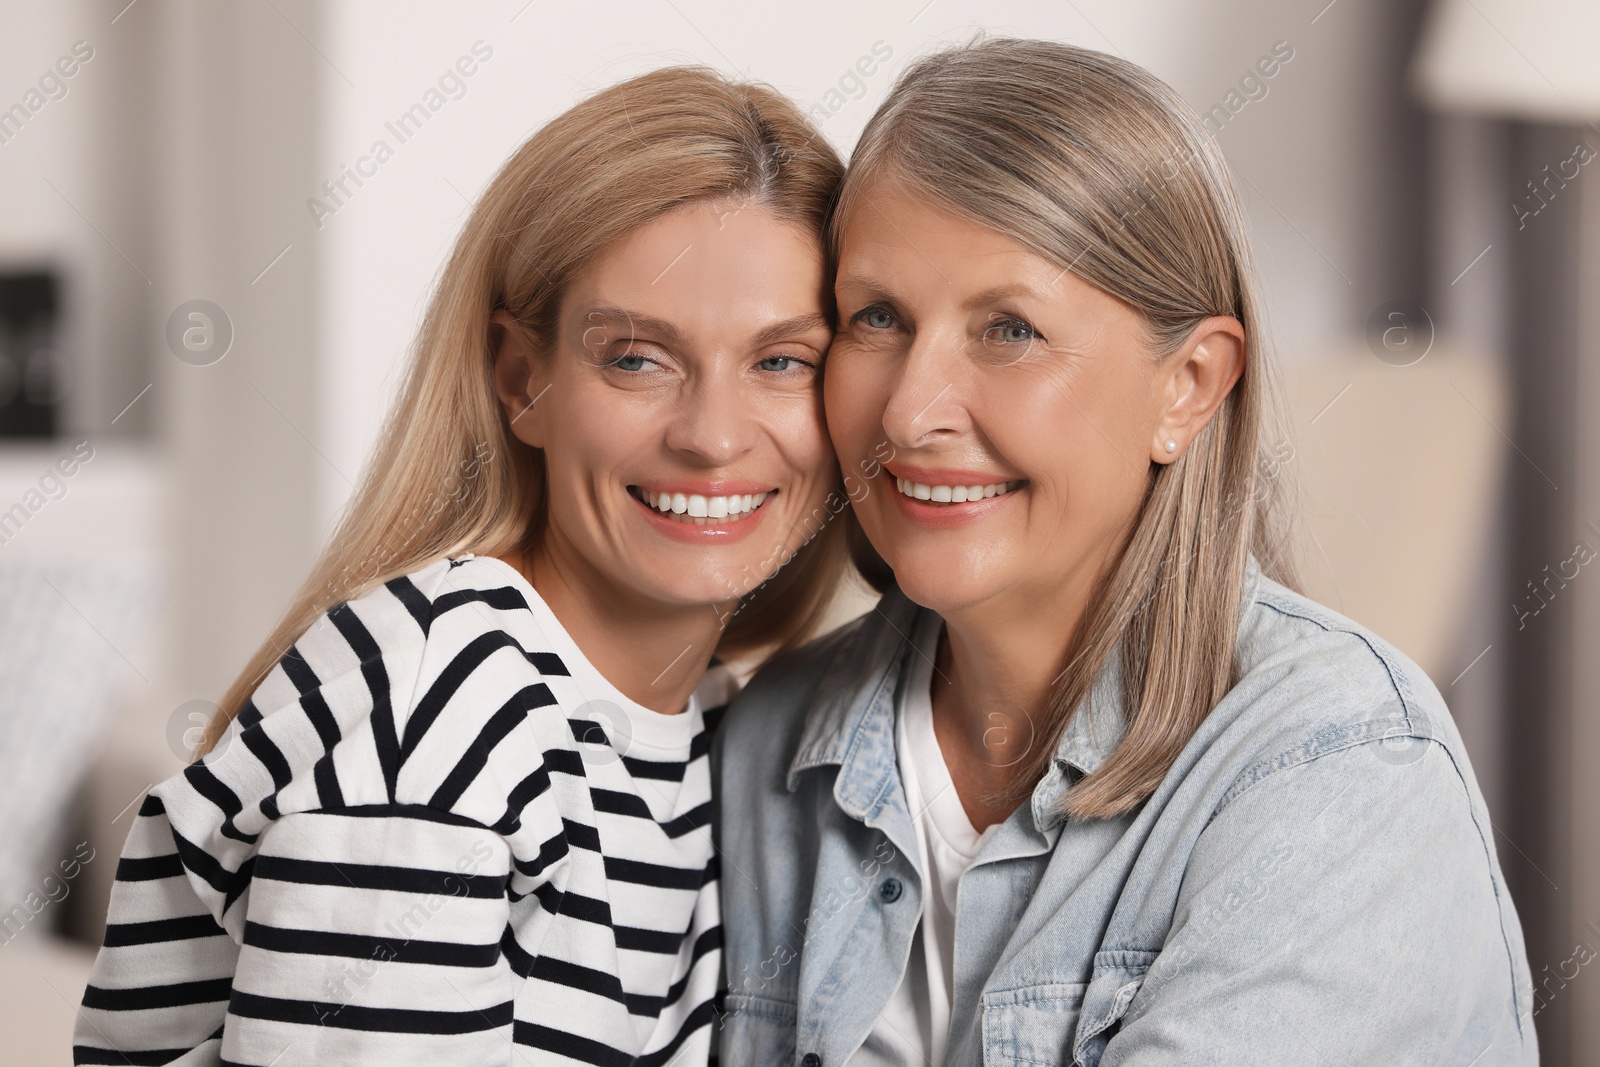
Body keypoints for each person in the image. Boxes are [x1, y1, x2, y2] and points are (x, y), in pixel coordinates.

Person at [714, 38, 1536, 1066]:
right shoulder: (764, 746)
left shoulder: (1342, 769)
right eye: (876, 316)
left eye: (1007, 329)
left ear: (1187, 383)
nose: (912, 410)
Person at [75, 66, 850, 1067]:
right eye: (636, 357)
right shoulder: (445, 710)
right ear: (524, 379)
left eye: (782, 360)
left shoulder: (702, 720)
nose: (711, 437)